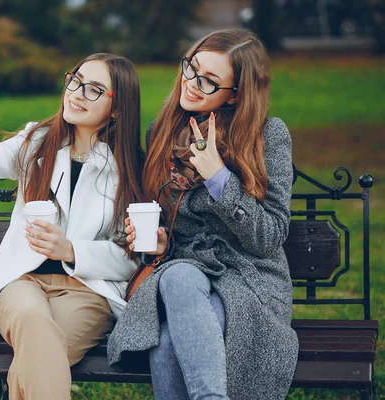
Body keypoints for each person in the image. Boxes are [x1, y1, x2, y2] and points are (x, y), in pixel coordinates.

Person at [0, 53, 144, 400]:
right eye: (75, 81)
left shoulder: (129, 169)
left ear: (118, 107)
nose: (76, 93)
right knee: (35, 326)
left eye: (94, 90)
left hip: (87, 292)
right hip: (21, 282)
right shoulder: (39, 141)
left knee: (39, 356)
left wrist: (72, 251)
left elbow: (132, 256)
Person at [107, 29, 299, 400]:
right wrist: (162, 241)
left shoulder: (266, 135)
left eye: (209, 81)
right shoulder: (161, 133)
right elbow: (170, 225)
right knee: (176, 278)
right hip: (186, 277)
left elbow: (270, 237)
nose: (192, 84)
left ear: (235, 95)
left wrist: (219, 178)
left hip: (249, 282)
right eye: (191, 69)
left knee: (166, 341)